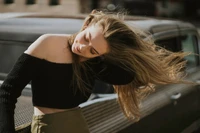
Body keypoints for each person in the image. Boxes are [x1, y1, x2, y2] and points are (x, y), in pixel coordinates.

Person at [0, 10, 190, 133]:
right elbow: (7, 93)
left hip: (79, 125)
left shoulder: (93, 61)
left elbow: (128, 77)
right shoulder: (47, 43)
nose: (82, 47)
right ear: (87, 24)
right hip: (48, 127)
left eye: (93, 49)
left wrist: (100, 56)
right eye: (86, 37)